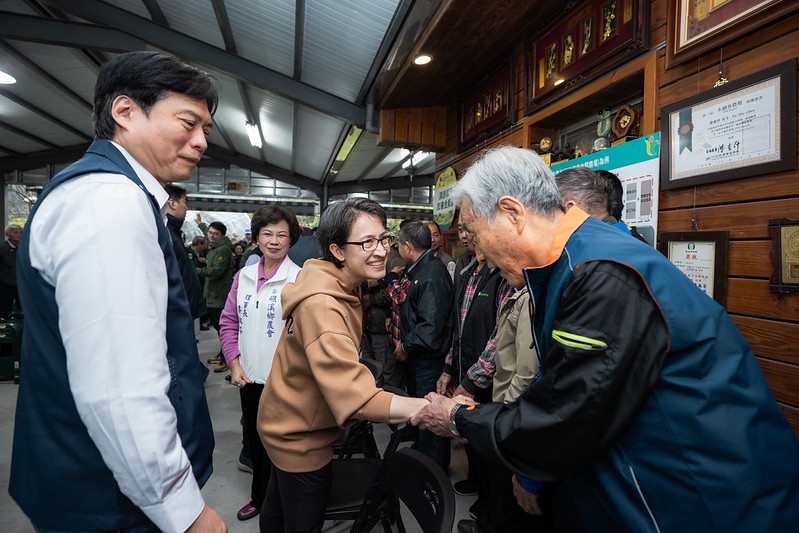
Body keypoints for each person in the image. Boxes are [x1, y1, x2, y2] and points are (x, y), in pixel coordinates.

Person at [412, 145, 799, 532]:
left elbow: (563, 420)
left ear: (512, 213)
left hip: (700, 500)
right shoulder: (572, 262)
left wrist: (459, 419)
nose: (475, 249)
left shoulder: (599, 274)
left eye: (476, 233)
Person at [9, 51, 225, 532]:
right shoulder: (109, 200)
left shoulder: (114, 193)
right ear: (125, 111)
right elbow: (119, 390)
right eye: (189, 122)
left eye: (206, 129)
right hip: (113, 499)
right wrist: (184, 511)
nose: (201, 141)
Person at [257, 198, 429, 533]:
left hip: (286, 421)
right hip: (299, 438)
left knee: (278, 507)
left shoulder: (333, 285)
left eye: (383, 239)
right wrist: (426, 407)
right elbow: (356, 397)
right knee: (301, 520)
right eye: (366, 242)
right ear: (337, 251)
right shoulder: (323, 306)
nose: (380, 250)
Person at [219, 206, 302, 522]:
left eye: (282, 234)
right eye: (267, 233)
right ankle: (259, 497)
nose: (274, 241)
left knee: (282, 446)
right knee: (254, 440)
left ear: (291, 239)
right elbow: (228, 322)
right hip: (249, 379)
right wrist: (234, 363)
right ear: (256, 237)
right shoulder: (244, 276)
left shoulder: (298, 279)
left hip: (285, 382)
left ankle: (280, 504)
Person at [394, 220, 456, 470]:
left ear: (407, 246)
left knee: (432, 420)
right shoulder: (419, 269)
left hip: (429, 361)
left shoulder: (431, 274)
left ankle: (434, 474)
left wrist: (405, 347)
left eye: (398, 243)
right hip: (420, 359)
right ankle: (426, 462)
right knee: (423, 415)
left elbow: (430, 329)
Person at [199, 219, 234, 372]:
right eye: (210, 233)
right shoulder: (215, 246)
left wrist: (197, 270)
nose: (211, 236)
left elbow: (216, 271)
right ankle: (222, 354)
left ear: (222, 235)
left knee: (222, 328)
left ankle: (228, 358)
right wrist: (201, 224)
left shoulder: (223, 250)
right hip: (212, 294)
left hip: (219, 296)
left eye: (215, 234)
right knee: (217, 326)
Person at [0, 224, 21, 318]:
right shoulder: (3, 248)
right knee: (5, 309)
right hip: (6, 284)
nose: (19, 235)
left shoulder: (24, 248)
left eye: (20, 232)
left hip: (21, 284)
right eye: (15, 232)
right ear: (7, 234)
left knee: (22, 308)